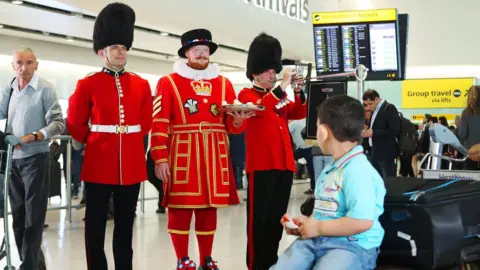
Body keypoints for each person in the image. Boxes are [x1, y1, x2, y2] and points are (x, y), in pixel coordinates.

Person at [150, 28, 251, 270]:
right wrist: (159, 157)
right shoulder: (168, 82)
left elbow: (231, 125)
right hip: (182, 152)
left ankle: (207, 257)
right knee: (180, 207)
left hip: (215, 152)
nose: (202, 55)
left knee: (208, 209)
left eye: (206, 51)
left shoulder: (224, 83)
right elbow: (159, 122)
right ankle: (182, 258)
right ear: (187, 53)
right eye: (197, 50)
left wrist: (238, 120)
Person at [66, 3, 153, 269]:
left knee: (125, 230)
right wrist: (90, 141)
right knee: (95, 230)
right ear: (101, 51)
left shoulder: (140, 84)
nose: (121, 52)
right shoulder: (88, 83)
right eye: (115, 47)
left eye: (124, 47)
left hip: (131, 165)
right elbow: (75, 121)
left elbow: (145, 122)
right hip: (98, 165)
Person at [270, 95, 386, 270]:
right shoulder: (331, 169)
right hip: (316, 240)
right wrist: (307, 224)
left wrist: (318, 227)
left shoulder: (358, 171)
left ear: (323, 132)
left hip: (351, 245)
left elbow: (361, 221)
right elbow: (326, 213)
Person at [238, 32, 307, 270]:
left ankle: (270, 262)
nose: (272, 73)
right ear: (255, 72)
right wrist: (282, 87)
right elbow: (260, 109)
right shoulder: (246, 95)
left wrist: (297, 90)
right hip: (261, 165)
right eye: (267, 70)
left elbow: (299, 112)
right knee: (258, 221)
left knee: (276, 220)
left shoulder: (278, 97)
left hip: (284, 164)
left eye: (273, 70)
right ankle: (255, 264)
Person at [0, 47, 65, 270]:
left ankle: (29, 266)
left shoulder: (45, 89)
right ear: (13, 66)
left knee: (33, 218)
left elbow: (58, 122)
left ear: (36, 65)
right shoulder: (8, 89)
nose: (24, 67)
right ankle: (33, 265)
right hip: (12, 160)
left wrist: (34, 136)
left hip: (36, 158)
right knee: (17, 217)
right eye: (19, 63)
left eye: (29, 63)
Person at [362, 89, 400, 177]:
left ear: (376, 99)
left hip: (386, 154)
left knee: (388, 182)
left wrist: (373, 133)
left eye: (370, 103)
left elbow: (394, 131)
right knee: (377, 182)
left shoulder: (389, 108)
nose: (368, 107)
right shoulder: (375, 111)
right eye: (366, 104)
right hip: (374, 153)